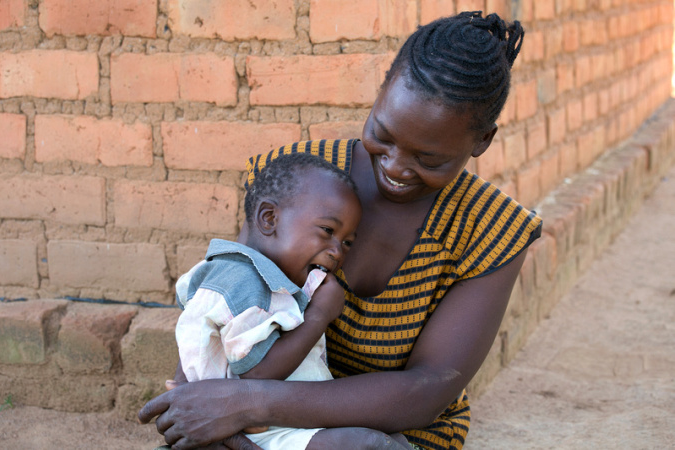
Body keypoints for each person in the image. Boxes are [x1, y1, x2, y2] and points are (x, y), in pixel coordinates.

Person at [139, 11, 543, 450]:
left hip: (396, 433)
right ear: (381, 92)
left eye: (428, 160)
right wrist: (200, 398)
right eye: (382, 134)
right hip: (260, 421)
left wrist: (249, 402)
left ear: (482, 141)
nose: (394, 166)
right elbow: (229, 303)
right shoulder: (298, 179)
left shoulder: (491, 230)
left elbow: (427, 389)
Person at [171, 153, 409, 449]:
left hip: (285, 421)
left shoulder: (271, 282)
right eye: (327, 231)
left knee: (392, 440)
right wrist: (319, 314)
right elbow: (257, 373)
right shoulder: (242, 281)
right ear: (269, 219)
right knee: (367, 444)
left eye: (347, 242)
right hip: (259, 431)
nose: (337, 251)